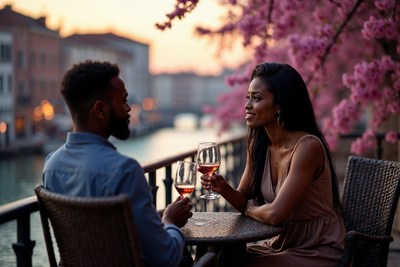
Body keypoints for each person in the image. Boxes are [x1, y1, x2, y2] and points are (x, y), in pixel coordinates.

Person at [42, 60, 194, 267]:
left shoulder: (51, 165)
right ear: (101, 110)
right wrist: (169, 221)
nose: (129, 108)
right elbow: (166, 258)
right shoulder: (125, 171)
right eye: (123, 101)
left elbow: (96, 232)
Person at [201, 62, 345, 266]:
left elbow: (276, 214)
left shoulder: (307, 147)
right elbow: (243, 199)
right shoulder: (259, 146)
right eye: (247, 97)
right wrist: (223, 188)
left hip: (319, 248)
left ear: (280, 106)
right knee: (219, 258)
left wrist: (248, 209)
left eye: (257, 98)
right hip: (282, 243)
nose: (247, 105)